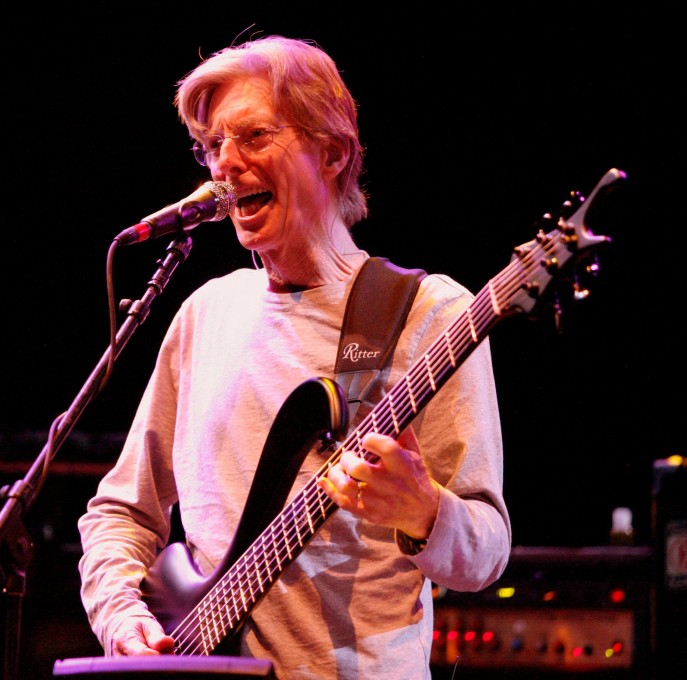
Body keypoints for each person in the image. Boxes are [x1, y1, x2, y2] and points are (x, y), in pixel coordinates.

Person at [77, 34, 511, 679]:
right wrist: (123, 617)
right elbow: (120, 511)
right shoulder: (205, 313)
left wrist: (424, 512)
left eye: (253, 138)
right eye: (211, 147)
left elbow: (486, 553)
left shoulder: (427, 313)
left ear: (332, 152)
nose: (224, 165)